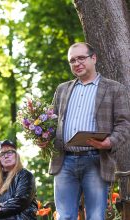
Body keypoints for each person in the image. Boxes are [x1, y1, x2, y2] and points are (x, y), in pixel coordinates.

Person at [47, 42, 130, 220]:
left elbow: (124, 124)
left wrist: (110, 142)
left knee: (95, 217)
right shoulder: (62, 89)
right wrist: (44, 138)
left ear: (94, 58)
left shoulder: (115, 89)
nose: (76, 63)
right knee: (64, 217)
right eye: (72, 60)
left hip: (96, 160)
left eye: (81, 58)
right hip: (64, 161)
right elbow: (51, 123)